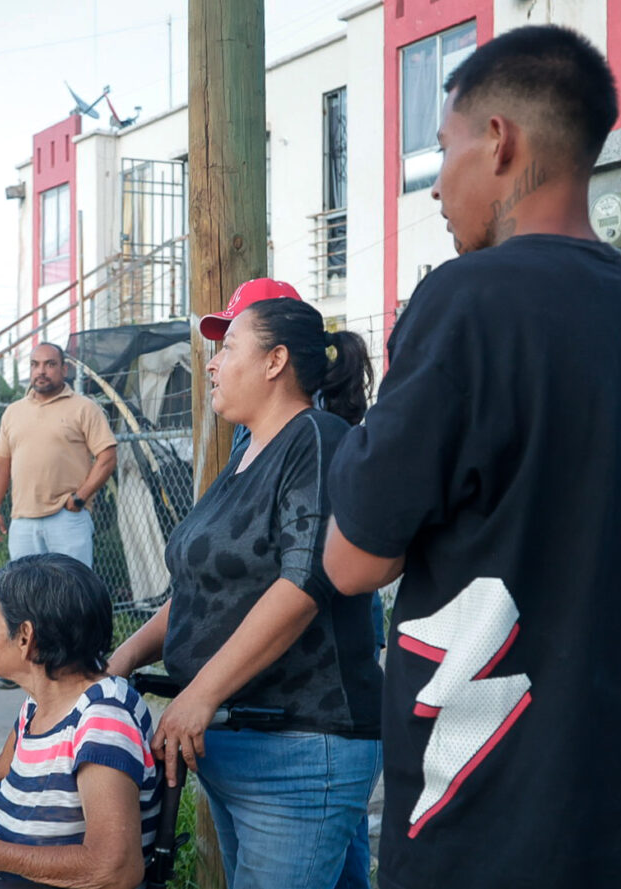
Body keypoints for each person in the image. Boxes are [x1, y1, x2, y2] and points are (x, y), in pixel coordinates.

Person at [324, 25, 621, 889]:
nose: (436, 188)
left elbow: (351, 559)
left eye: (442, 150)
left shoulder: (466, 300)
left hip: (485, 820)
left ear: (499, 141)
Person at [110, 279, 383, 889]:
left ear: (274, 361)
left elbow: (305, 580)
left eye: (228, 347)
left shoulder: (315, 439)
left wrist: (200, 694)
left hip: (298, 748)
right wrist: (123, 659)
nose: (211, 363)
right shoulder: (244, 455)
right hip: (238, 750)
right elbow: (203, 591)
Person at [0, 553, 160, 889]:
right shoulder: (39, 704)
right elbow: (0, 769)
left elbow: (114, 868)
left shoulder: (102, 720)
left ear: (25, 637)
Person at [0, 342, 117, 570]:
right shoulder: (14, 412)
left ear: (64, 369)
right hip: (22, 521)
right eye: (35, 365)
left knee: (73, 592)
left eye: (50, 364)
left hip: (67, 518)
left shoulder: (84, 408)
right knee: (24, 596)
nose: (41, 371)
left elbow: (107, 457)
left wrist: (80, 498)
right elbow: (0, 465)